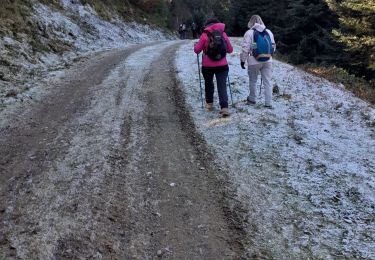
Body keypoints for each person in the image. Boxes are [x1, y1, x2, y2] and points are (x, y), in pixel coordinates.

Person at [194, 18, 233, 116]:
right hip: (222, 65)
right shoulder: (223, 34)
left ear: (207, 25)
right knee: (222, 85)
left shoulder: (204, 35)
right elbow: (230, 50)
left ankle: (209, 104)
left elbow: (197, 50)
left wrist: (196, 46)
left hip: (207, 66)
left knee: (208, 83)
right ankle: (224, 108)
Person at [240, 15, 276, 108]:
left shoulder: (249, 33)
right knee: (267, 81)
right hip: (268, 60)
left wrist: (242, 60)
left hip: (253, 60)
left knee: (253, 80)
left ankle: (252, 99)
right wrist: (268, 55)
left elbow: (246, 48)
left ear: (250, 22)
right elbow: (273, 47)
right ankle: (268, 103)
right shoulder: (268, 32)